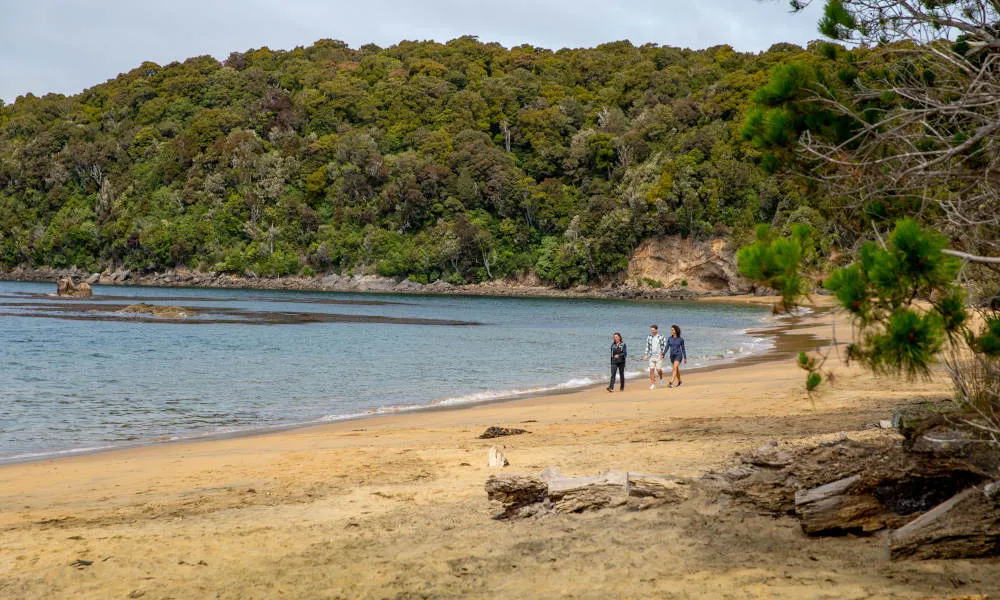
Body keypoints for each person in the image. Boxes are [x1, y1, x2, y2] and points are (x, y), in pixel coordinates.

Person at [642, 324, 667, 389]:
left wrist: (662, 354)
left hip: (659, 356)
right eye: (651, 330)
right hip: (651, 356)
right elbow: (647, 346)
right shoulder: (649, 337)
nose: (652, 331)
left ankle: (661, 379)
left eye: (653, 330)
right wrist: (645, 354)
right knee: (651, 370)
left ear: (656, 330)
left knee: (659, 370)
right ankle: (653, 384)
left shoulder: (661, 337)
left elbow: (664, 346)